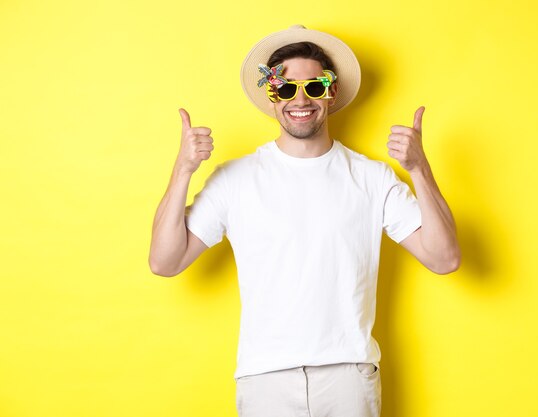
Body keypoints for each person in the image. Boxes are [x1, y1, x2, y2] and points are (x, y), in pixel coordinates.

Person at [149, 25, 461, 417]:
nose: (300, 99)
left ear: (329, 94)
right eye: (285, 88)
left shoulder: (371, 178)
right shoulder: (235, 180)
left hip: (348, 376)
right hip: (265, 381)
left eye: (313, 87)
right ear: (272, 96)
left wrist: (419, 170)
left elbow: (444, 258)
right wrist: (182, 170)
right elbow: (165, 261)